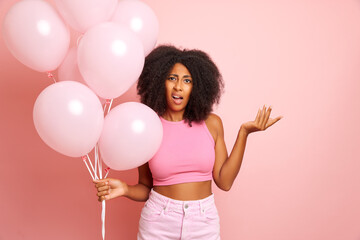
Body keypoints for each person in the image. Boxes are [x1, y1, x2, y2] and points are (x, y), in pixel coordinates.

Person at [94, 45, 282, 239]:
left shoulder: (212, 123)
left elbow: (224, 182)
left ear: (197, 87)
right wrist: (125, 188)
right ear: (159, 82)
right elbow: (145, 187)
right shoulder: (148, 125)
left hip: (203, 222)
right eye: (172, 78)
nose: (178, 87)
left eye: (187, 80)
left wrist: (244, 133)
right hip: (158, 222)